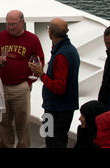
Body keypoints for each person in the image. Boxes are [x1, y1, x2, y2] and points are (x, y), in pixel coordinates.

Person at [0, 10, 44, 148]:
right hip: (2, 86)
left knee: (22, 124)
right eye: (8, 24)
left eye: (14, 24)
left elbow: (39, 60)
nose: (11, 27)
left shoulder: (32, 39)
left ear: (22, 22)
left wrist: (29, 82)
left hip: (21, 87)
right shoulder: (0, 37)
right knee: (4, 123)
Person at [29, 18, 80, 148]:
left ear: (51, 33)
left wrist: (41, 74)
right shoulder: (70, 50)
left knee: (53, 142)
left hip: (56, 110)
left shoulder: (61, 55)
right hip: (61, 108)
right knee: (54, 140)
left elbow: (58, 87)